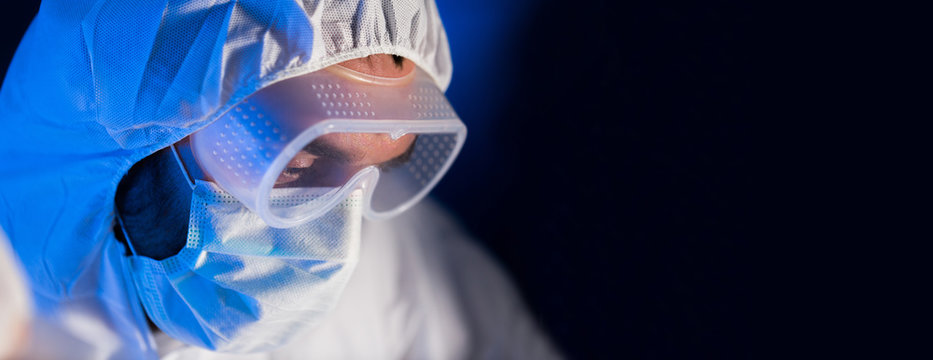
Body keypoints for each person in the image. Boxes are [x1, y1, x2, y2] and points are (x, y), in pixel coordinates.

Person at [0, 0, 560, 358]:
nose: (337, 245)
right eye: (294, 162)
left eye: (373, 173)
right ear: (135, 128)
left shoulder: (412, 277)